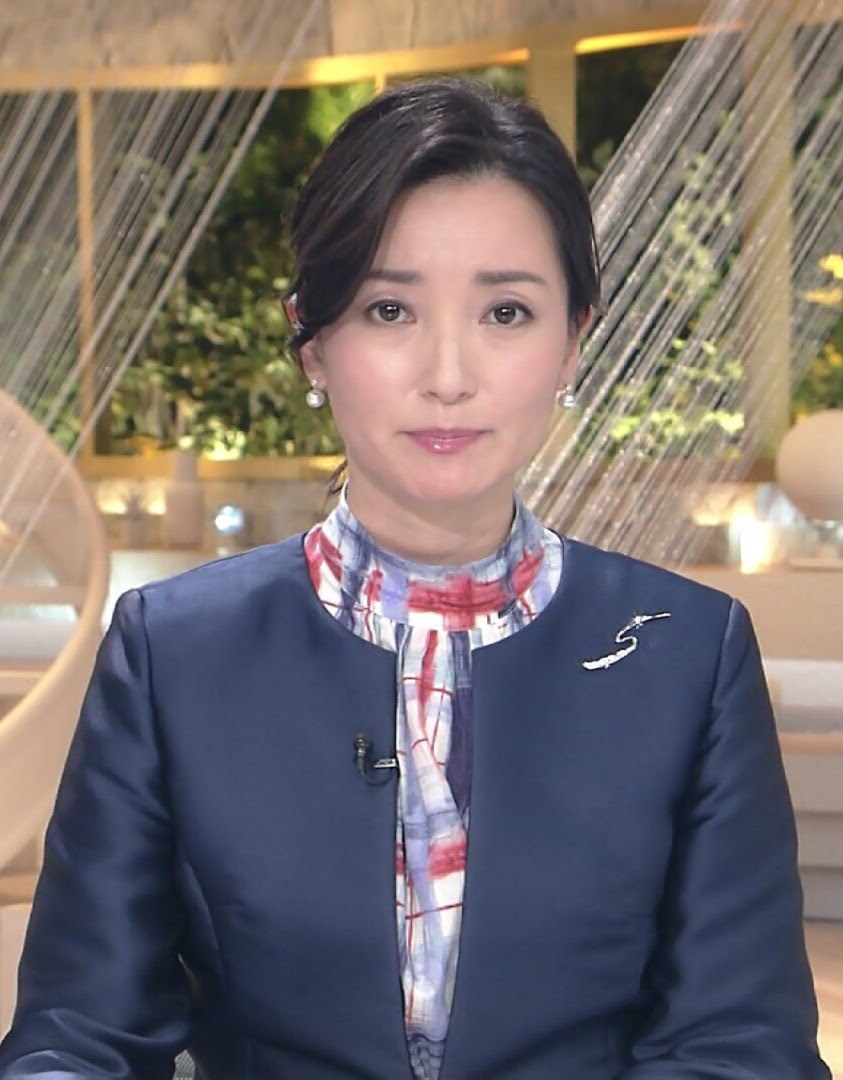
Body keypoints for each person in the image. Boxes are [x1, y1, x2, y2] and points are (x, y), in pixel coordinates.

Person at [0, 76, 831, 1080]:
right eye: (389, 308)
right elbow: (78, 1036)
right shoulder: (170, 652)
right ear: (312, 340)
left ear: (574, 339)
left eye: (506, 312)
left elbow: (741, 1044)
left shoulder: (690, 655)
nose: (447, 374)